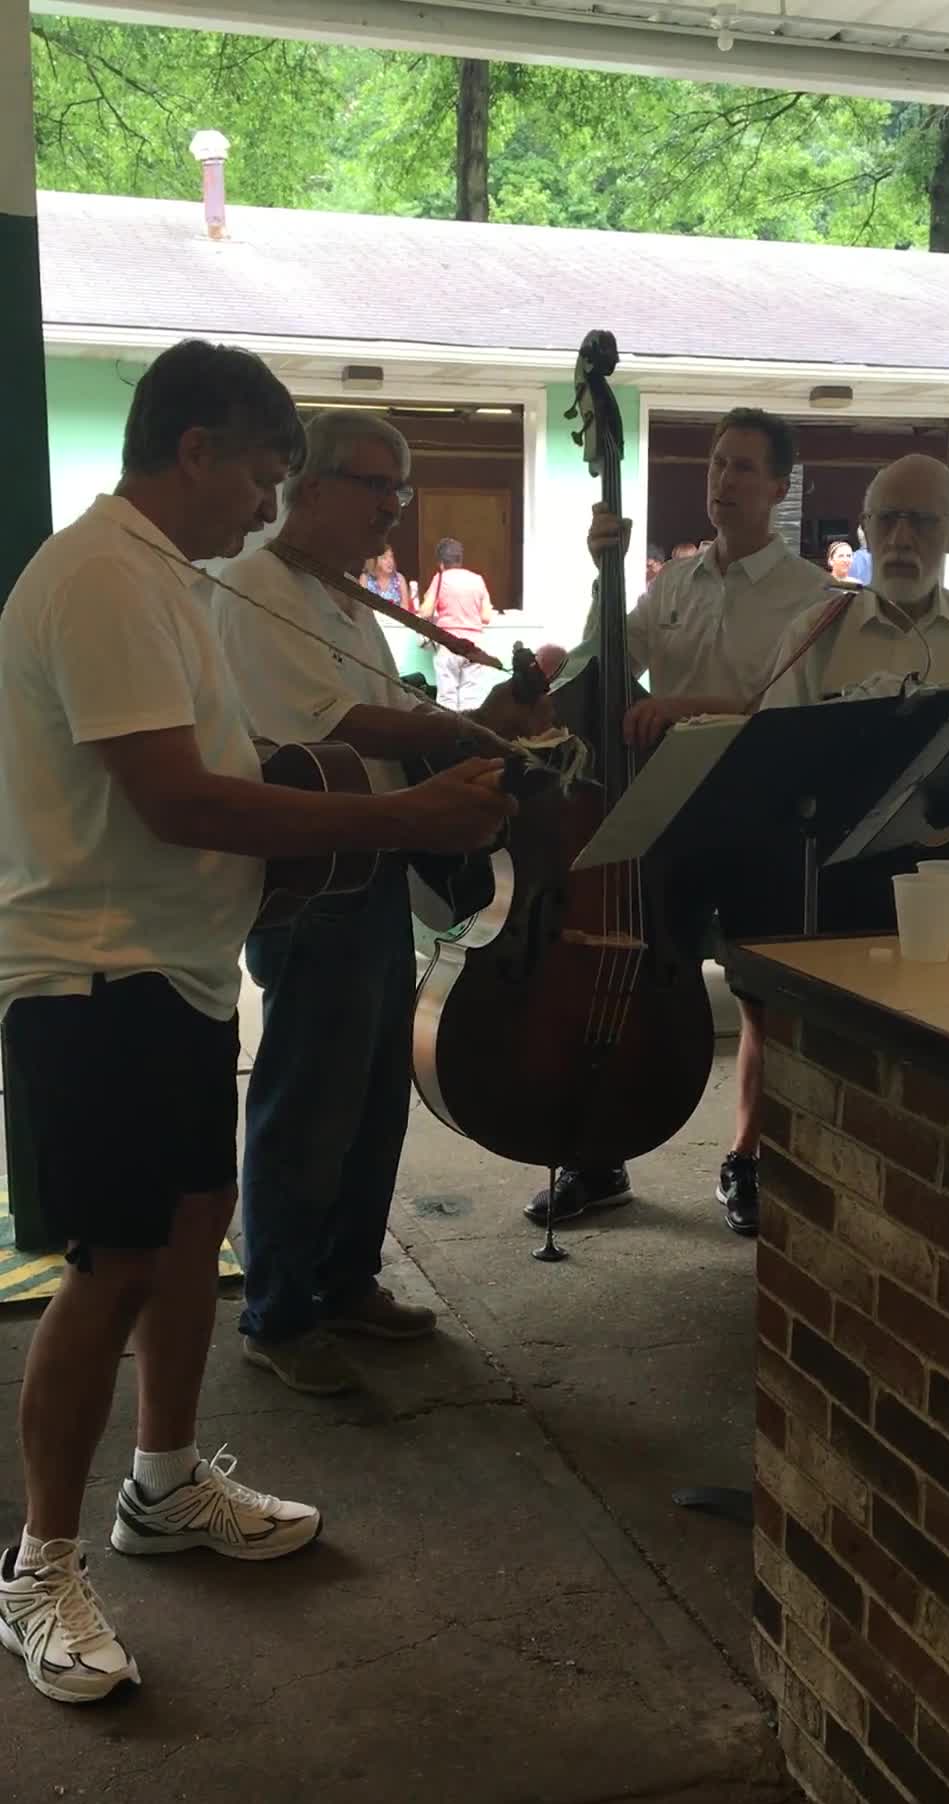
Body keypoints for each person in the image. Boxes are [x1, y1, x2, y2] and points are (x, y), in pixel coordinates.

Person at [0, 342, 513, 1705]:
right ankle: (40, 1563)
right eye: (264, 476)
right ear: (199, 453)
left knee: (183, 1238)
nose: (267, 506)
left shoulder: (167, 578)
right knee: (106, 1268)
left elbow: (239, 773)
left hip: (174, 966)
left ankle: (162, 1486)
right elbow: (178, 801)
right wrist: (395, 816)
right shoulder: (106, 576)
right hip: (90, 972)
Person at [214, 413, 549, 1394]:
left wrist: (480, 725)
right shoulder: (254, 589)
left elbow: (390, 726)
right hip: (313, 881)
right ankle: (278, 1314)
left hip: (369, 871)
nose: (392, 508)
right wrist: (462, 732)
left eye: (399, 491)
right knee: (310, 1097)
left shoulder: (347, 597)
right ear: (308, 487)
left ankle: (346, 1279)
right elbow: (337, 723)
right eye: (376, 486)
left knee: (370, 1093)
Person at [524, 406, 828, 1238]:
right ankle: (598, 1157)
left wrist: (691, 706)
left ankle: (749, 1161)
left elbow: (790, 716)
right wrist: (605, 573)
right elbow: (605, 664)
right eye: (715, 464)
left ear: (777, 486)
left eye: (742, 468)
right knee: (623, 985)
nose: (723, 481)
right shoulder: (678, 583)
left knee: (763, 1005)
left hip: (762, 828)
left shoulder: (816, 598)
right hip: (667, 822)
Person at [761, 455, 949, 920]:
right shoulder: (815, 633)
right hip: (831, 879)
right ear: (865, 527)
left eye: (924, 521)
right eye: (886, 519)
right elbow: (765, 756)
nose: (901, 539)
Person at [419, 537, 499, 711]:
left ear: (441, 563)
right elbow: (486, 617)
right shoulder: (477, 580)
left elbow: (425, 612)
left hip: (449, 644)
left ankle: (448, 736)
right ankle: (469, 735)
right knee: (472, 699)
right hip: (474, 646)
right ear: (460, 559)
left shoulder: (440, 579)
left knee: (447, 699)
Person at [361, 542, 413, 610]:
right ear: (374, 561)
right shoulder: (365, 579)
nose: (390, 561)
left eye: (391, 556)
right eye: (384, 558)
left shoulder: (399, 578)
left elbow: (405, 607)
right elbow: (362, 607)